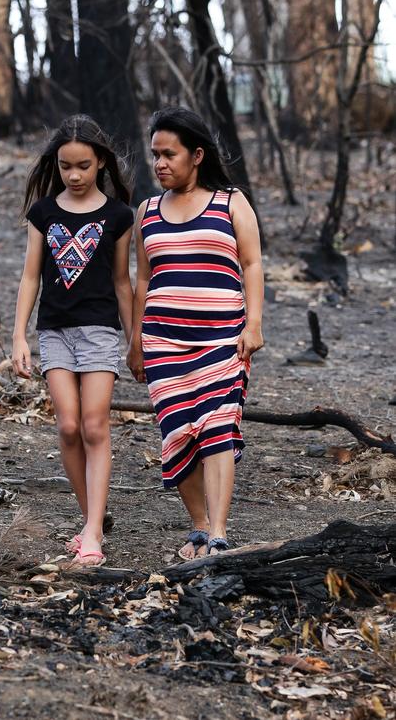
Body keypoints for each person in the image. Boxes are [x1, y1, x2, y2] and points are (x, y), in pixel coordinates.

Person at [127, 107, 263, 558]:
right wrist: (136, 342)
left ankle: (220, 534)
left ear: (197, 155)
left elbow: (252, 264)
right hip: (163, 341)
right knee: (178, 433)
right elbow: (144, 280)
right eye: (155, 155)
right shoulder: (147, 211)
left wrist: (254, 324)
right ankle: (200, 527)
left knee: (218, 426)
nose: (160, 163)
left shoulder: (230, 202)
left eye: (170, 154)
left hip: (223, 338)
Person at [12, 115, 134, 566]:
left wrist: (134, 338)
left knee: (94, 426)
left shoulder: (119, 216)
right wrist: (19, 336)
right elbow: (30, 277)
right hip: (54, 332)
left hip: (101, 331)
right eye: (66, 166)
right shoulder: (44, 213)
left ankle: (91, 532)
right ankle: (92, 522)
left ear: (100, 162)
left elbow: (123, 281)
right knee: (67, 426)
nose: (75, 175)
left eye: (83, 165)